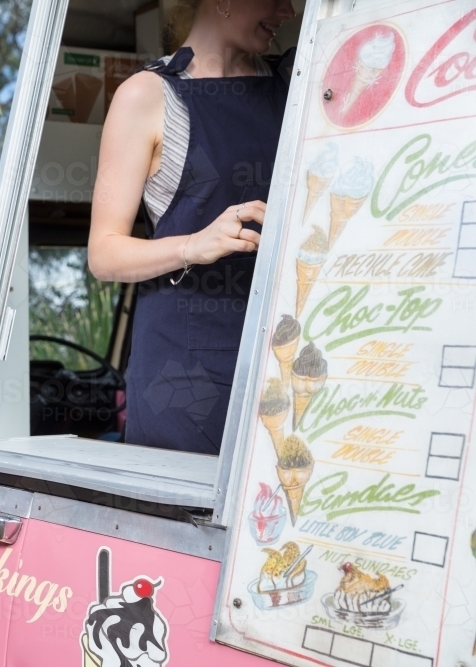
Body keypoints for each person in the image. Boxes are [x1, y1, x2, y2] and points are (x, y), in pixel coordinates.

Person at [88, 0, 296, 454]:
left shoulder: (295, 87)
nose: (288, 11)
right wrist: (193, 245)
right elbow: (103, 255)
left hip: (284, 357)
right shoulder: (146, 96)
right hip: (183, 372)